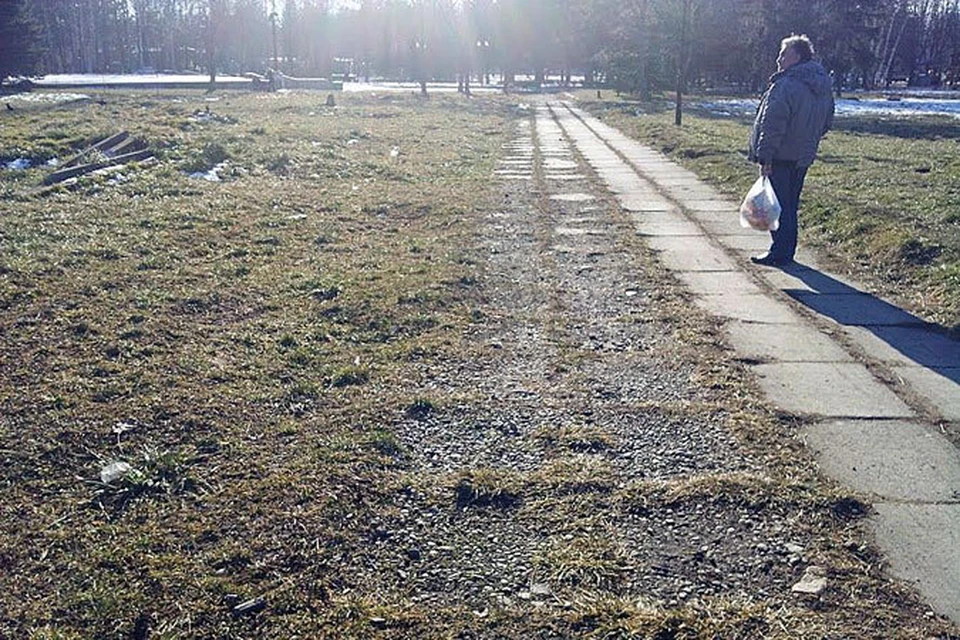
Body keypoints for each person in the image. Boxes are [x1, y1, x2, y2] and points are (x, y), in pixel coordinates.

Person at [747, 34, 835, 266]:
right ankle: (786, 251)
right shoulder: (822, 86)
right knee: (790, 206)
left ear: (796, 56)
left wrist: (765, 155)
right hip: (803, 156)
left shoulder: (786, 84)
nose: (779, 59)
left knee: (778, 206)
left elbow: (773, 123)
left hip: (780, 155)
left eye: (783, 53)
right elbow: (826, 122)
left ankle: (780, 252)